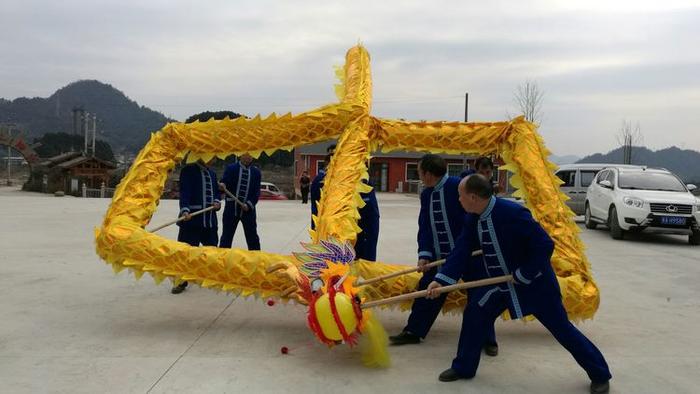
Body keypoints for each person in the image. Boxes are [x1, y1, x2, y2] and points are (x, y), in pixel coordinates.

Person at [426, 174, 611, 394]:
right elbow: (462, 251)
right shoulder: (473, 217)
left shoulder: (513, 213)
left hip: (535, 284)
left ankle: (599, 374)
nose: (458, 200)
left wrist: (525, 272)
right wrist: (441, 280)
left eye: (460, 196)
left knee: (562, 329)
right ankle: (464, 367)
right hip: (499, 285)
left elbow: (544, 245)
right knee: (475, 314)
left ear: (473, 197)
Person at [389, 154, 498, 356]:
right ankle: (414, 331)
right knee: (427, 291)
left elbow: (478, 215)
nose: (419, 176)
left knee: (480, 296)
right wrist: (425, 253)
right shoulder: (427, 194)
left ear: (428, 174)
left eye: (420, 172)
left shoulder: (459, 188)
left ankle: (487, 338)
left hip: (469, 255)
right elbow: (426, 225)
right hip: (440, 257)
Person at [310, 144, 380, 261]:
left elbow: (372, 218)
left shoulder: (362, 182)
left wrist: (369, 255)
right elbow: (316, 214)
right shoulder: (319, 182)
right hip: (329, 242)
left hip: (358, 243)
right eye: (331, 158)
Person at [172, 160, 221, 294]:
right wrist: (185, 210)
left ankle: (213, 278)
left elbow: (216, 193)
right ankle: (180, 281)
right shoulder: (188, 170)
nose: (212, 159)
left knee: (212, 252)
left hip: (209, 221)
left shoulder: (212, 173)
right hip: (192, 220)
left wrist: (217, 202)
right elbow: (185, 192)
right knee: (185, 253)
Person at [218, 153, 261, 250]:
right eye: (246, 155)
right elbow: (224, 183)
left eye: (250, 155)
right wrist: (222, 185)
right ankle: (223, 260)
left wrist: (249, 205)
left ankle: (257, 259)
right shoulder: (231, 168)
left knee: (252, 238)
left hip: (248, 211)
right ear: (240, 156)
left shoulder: (256, 172)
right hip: (231, 209)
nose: (248, 157)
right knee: (226, 237)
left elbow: (256, 193)